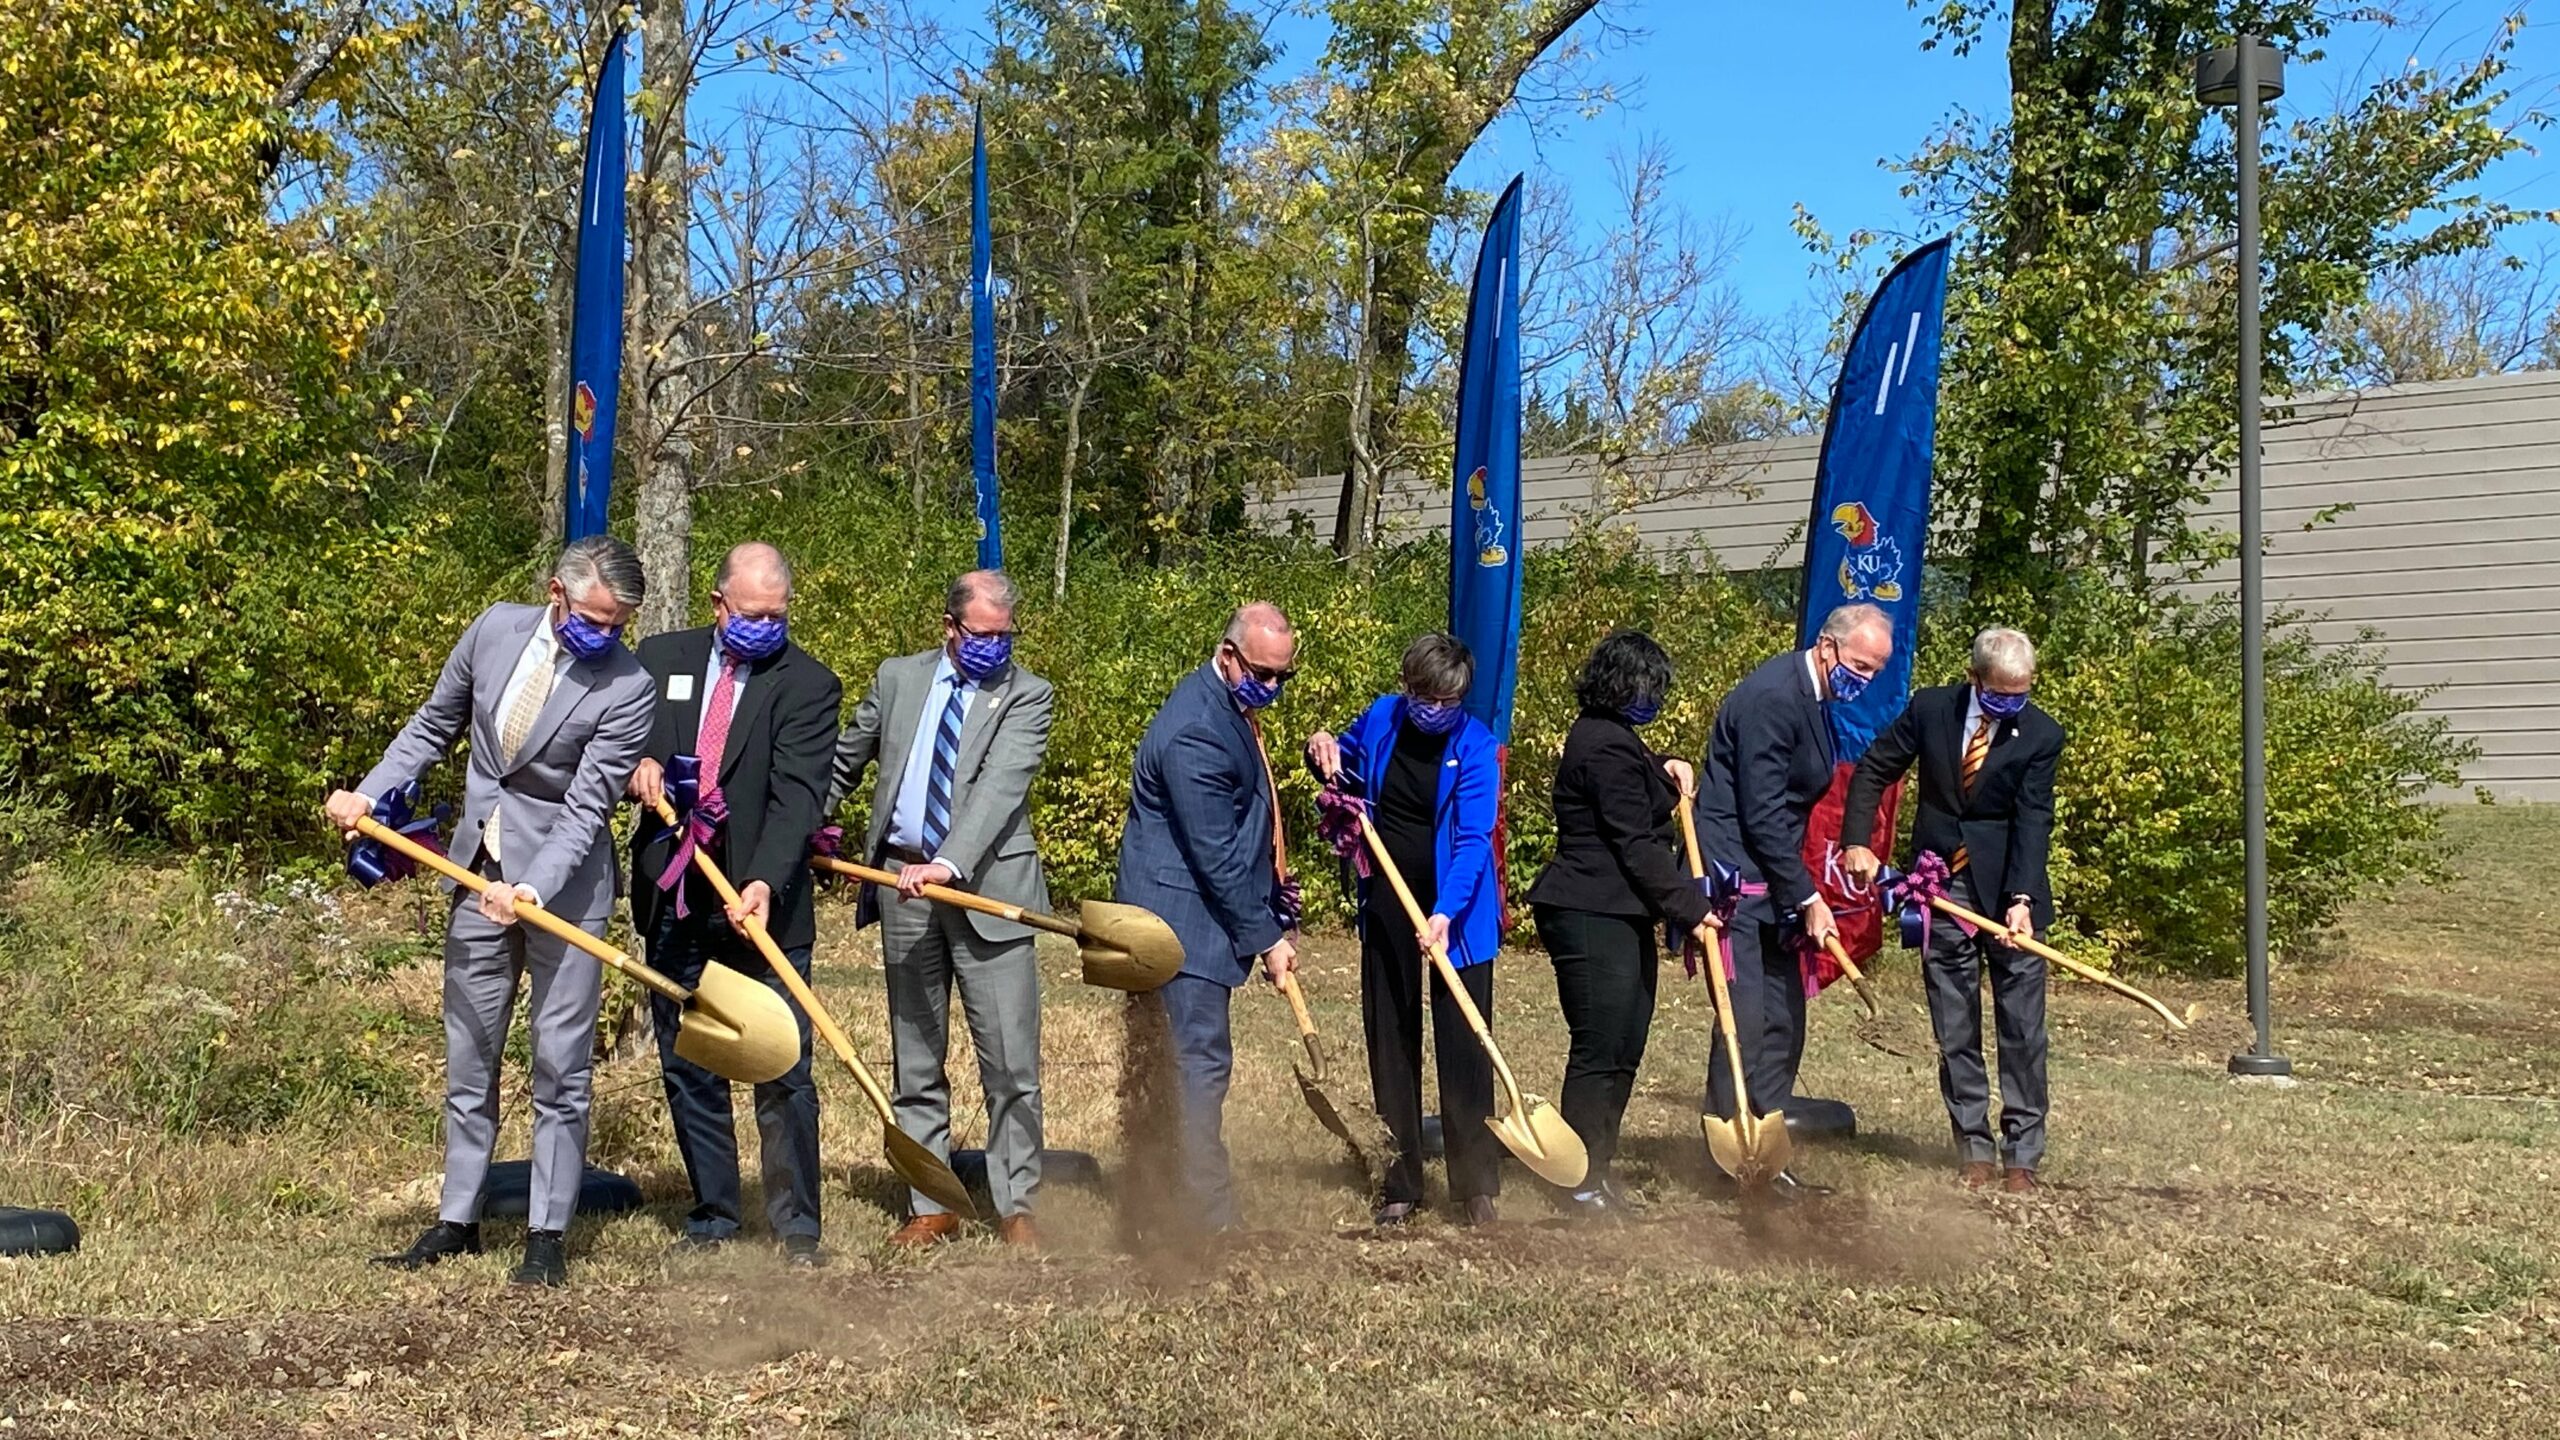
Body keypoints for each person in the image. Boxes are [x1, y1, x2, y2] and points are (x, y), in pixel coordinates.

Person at [325, 536, 655, 1287]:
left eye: (618, 625)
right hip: (475, 869)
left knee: (559, 1064)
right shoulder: (494, 629)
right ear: (556, 592)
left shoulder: (627, 687)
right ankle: (458, 1218)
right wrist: (369, 793)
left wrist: (533, 889)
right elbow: (431, 726)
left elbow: (586, 806)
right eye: (596, 618)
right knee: (469, 1056)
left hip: (563, 891)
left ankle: (546, 1233)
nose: (605, 636)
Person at [825, 570, 1054, 1250]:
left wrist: (948, 864)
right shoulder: (899, 679)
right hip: (902, 884)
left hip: (988, 890)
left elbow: (997, 791)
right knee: (916, 1056)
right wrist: (810, 822)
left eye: (1005, 636)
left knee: (1011, 1063)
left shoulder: (1027, 696)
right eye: (982, 635)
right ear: (949, 627)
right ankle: (932, 1201)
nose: (995, 648)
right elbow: (846, 757)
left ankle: (1016, 1206)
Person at [628, 543, 841, 1263]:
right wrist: (644, 763)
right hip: (676, 894)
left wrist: (766, 879)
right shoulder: (661, 659)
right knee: (692, 1058)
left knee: (782, 1065)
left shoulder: (808, 685)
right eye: (752, 615)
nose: (766, 627)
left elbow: (798, 798)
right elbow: (634, 742)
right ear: (719, 606)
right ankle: (716, 1210)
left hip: (760, 903)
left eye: (777, 616)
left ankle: (796, 1225)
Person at [1840, 627, 2063, 1194]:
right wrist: (1857, 840)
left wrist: (2022, 900)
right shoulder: (1931, 709)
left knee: (2022, 1027)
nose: (2010, 705)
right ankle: (1973, 1147)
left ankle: (2022, 1156)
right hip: (1940, 888)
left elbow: (2034, 820)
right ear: (1974, 679)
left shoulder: (2040, 735)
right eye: (1999, 694)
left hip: (2010, 894)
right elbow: (1873, 769)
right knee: (1955, 1021)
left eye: (2021, 694)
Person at [1691, 602, 1893, 1197]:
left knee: (1784, 1020)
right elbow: (1760, 810)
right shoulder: (1774, 697)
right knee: (1745, 1022)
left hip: (1778, 881)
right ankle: (1725, 1154)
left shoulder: (1818, 700)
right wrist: (1806, 894)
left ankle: (1767, 1150)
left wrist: (1798, 893)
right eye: (1861, 665)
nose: (1866, 679)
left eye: (1877, 671)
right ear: (1828, 647)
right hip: (1739, 880)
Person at [1115, 602, 1300, 1233]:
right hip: (1180, 927)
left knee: (1187, 1065)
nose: (1271, 687)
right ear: (1228, 656)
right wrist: (1266, 938)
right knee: (1198, 1064)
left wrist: (1278, 903)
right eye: (1263, 673)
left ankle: (1168, 1200)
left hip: (1194, 916)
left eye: (1283, 676)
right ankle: (1205, 1215)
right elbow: (1215, 855)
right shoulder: (1197, 728)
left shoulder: (1225, 708)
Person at [1306, 634, 1502, 1228]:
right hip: (1389, 895)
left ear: (1460, 696)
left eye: (1443, 698)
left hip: (1457, 914)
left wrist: (1444, 913)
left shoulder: (1476, 747)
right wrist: (1321, 746)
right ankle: (1400, 1180)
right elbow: (1345, 760)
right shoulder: (1383, 715)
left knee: (1463, 1042)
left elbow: (1472, 842)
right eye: (1421, 694)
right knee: (1391, 1034)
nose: (1430, 706)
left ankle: (1474, 1185)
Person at [1522, 629, 1716, 1216]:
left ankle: (1598, 1169)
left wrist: (1668, 764)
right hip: (1588, 911)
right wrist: (1692, 906)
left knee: (1627, 1045)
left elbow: (1642, 778)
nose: (1651, 700)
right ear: (1616, 684)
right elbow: (1635, 841)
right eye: (1644, 688)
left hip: (1624, 912)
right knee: (1600, 1047)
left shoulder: (1619, 739)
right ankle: (1575, 1181)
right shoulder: (1601, 743)